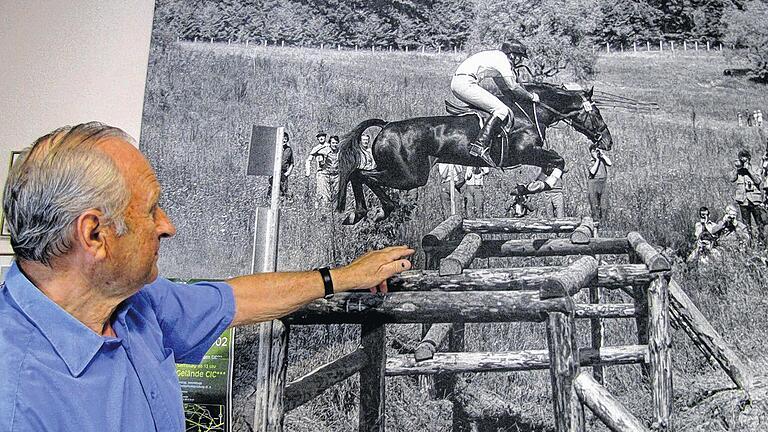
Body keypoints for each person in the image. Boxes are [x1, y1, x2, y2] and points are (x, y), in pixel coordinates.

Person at [0, 122, 414, 432]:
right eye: (150, 211)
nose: (168, 226)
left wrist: (340, 277)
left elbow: (237, 299)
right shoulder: (20, 399)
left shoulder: (137, 303)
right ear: (94, 235)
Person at [451, 38, 539, 168]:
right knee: (501, 110)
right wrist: (531, 97)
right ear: (512, 55)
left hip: (460, 83)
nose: (520, 61)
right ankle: (480, 146)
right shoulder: (503, 60)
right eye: (520, 57)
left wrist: (516, 102)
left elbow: (504, 88)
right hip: (465, 83)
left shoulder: (496, 58)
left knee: (497, 107)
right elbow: (513, 87)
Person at [729, 148, 764, 239]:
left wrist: (748, 169)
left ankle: (762, 243)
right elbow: (731, 179)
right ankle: (749, 244)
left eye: (745, 158)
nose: (743, 160)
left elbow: (758, 181)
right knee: (746, 226)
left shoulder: (755, 168)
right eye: (741, 158)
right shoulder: (739, 170)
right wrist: (737, 168)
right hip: (743, 201)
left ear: (749, 158)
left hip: (755, 201)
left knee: (760, 223)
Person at [305, 132, 340, 206]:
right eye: (319, 137)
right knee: (322, 193)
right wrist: (308, 171)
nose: (321, 138)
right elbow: (309, 158)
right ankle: (321, 209)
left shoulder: (334, 148)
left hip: (335, 174)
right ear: (317, 138)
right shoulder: (318, 148)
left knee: (336, 193)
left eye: (323, 136)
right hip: (323, 173)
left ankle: (333, 209)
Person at [587, 144, 612, 222]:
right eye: (594, 151)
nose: (595, 152)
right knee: (594, 205)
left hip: (603, 183)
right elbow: (592, 171)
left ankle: (604, 223)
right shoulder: (590, 161)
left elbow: (610, 163)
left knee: (604, 205)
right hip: (593, 183)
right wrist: (597, 160)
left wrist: (602, 154)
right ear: (591, 152)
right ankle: (595, 223)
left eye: (596, 150)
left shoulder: (602, 159)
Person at [267, 131, 294, 199]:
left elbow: (292, 163)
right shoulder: (274, 149)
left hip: (284, 173)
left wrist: (287, 173)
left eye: (285, 138)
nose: (284, 140)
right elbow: (269, 162)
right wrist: (270, 173)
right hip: (274, 173)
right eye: (282, 138)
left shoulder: (289, 149)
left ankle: (282, 206)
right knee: (272, 191)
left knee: (283, 191)